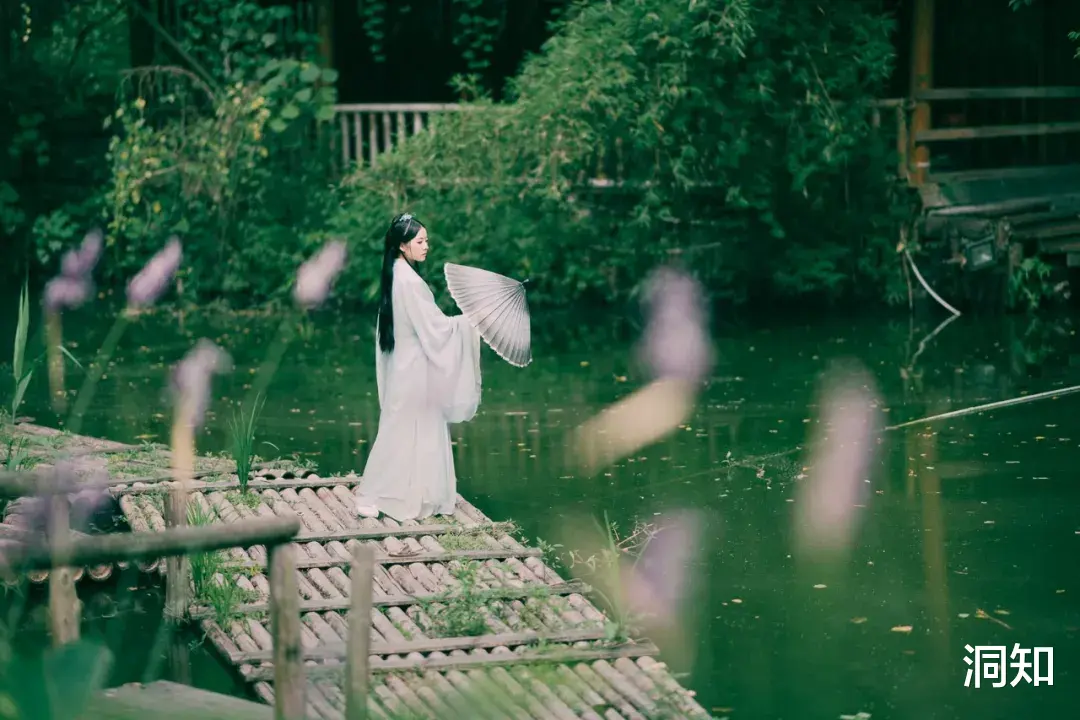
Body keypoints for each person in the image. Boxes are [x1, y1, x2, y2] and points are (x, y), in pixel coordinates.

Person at [353, 213, 482, 521]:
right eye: (420, 241)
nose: (426, 247)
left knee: (401, 429)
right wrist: (469, 322)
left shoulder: (395, 274)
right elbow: (436, 329)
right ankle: (389, 494)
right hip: (414, 370)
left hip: (404, 366)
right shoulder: (410, 281)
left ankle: (404, 494)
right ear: (402, 245)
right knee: (410, 430)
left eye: (427, 241)